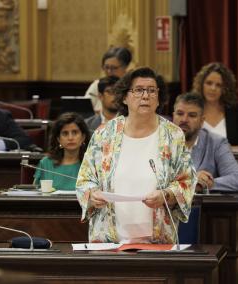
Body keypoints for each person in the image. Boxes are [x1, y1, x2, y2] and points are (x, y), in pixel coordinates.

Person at [76, 67, 197, 244]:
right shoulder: (105, 134)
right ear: (124, 97)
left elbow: (186, 181)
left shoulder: (173, 135)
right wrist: (92, 195)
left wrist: (166, 194)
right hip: (110, 241)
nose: (146, 96)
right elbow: (84, 180)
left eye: (151, 91)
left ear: (159, 98)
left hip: (157, 241)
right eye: (139, 90)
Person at [173, 93, 238, 193]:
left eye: (192, 115)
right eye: (180, 114)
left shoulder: (216, 143)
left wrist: (201, 185)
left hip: (201, 207)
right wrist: (192, 181)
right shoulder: (159, 140)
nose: (184, 120)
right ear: (173, 116)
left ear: (202, 121)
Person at [192, 62, 238, 150]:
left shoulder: (236, 110)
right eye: (209, 83)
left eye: (219, 85)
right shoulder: (192, 109)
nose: (213, 88)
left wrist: (229, 149)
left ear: (225, 89)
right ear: (201, 85)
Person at [34, 112, 90, 191]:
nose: (70, 138)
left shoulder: (91, 164)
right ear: (58, 139)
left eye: (75, 132)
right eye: (65, 133)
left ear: (83, 137)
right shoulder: (46, 164)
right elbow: (35, 195)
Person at [84, 47, 132, 113]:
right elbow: (85, 109)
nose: (109, 71)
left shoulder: (131, 86)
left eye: (114, 68)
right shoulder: (97, 85)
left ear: (125, 67)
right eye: (106, 67)